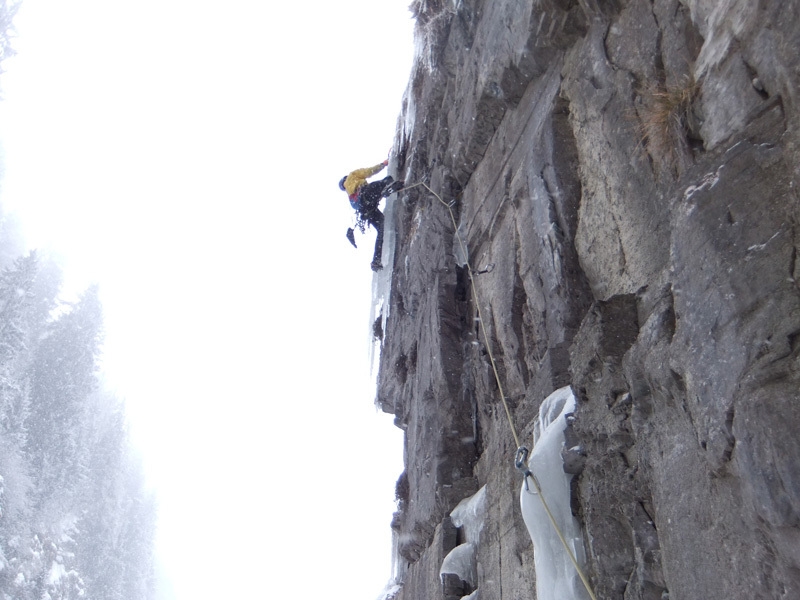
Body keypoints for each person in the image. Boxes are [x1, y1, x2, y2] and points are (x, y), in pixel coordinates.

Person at [339, 159, 403, 271]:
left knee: (381, 228)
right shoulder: (351, 176)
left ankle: (376, 260)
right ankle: (396, 186)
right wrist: (382, 165)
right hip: (366, 193)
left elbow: (358, 207)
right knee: (385, 182)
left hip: (366, 209)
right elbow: (368, 171)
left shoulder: (350, 196)